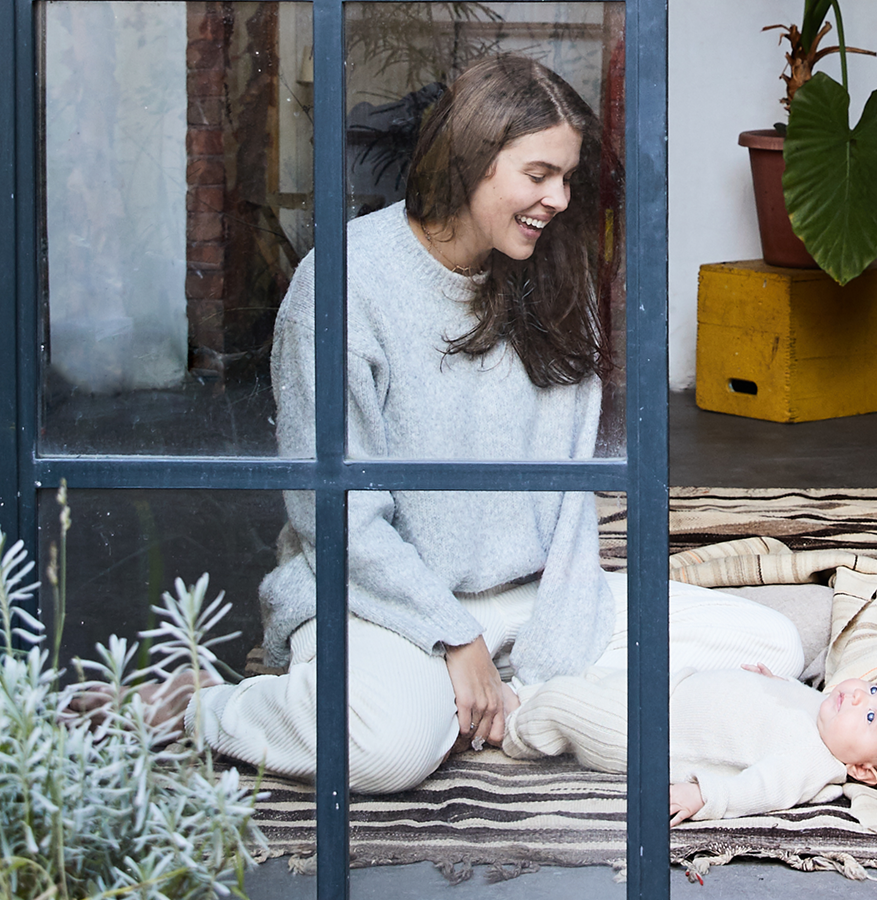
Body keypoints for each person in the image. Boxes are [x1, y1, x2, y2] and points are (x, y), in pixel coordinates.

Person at [173, 54, 797, 795]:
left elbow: (572, 495)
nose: (559, 199)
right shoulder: (343, 283)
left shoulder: (557, 281)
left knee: (771, 644)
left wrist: (549, 657)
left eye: (566, 178)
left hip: (525, 599)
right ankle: (200, 708)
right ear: (471, 157)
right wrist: (452, 635)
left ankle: (510, 703)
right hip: (377, 600)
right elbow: (334, 513)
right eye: (538, 176)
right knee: (388, 749)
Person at [502, 664, 877, 823]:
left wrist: (705, 795)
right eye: (876, 689)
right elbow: (792, 704)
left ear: (861, 771)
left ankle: (506, 729)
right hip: (669, 690)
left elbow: (758, 789)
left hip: (646, 734)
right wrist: (776, 684)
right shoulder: (828, 714)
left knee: (567, 704)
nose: (861, 695)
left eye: (873, 715)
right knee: (590, 680)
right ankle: (521, 693)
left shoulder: (810, 763)